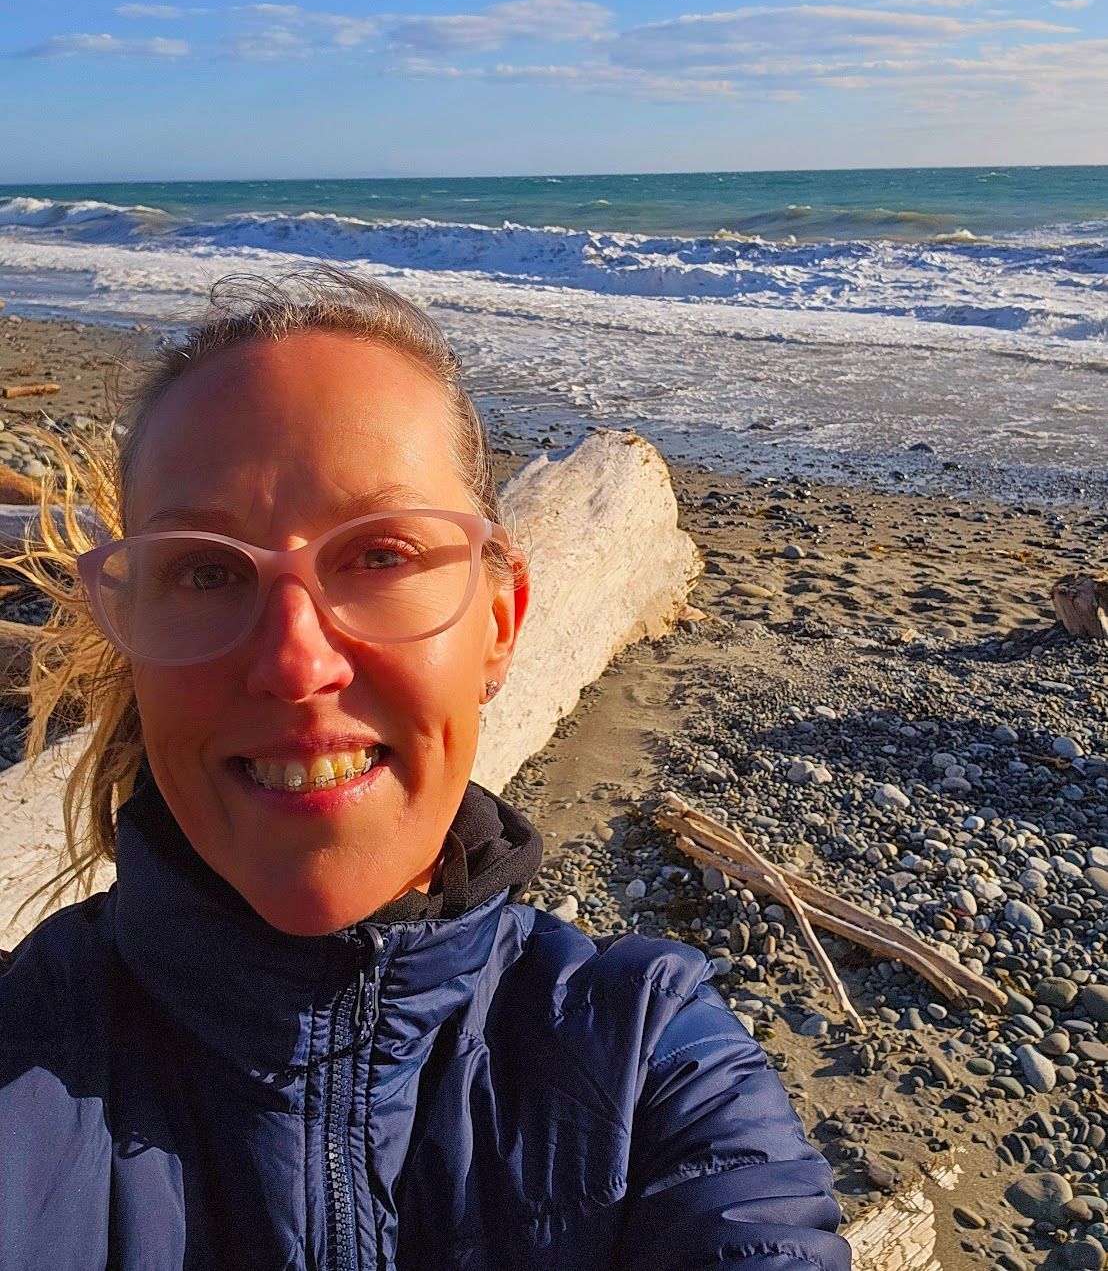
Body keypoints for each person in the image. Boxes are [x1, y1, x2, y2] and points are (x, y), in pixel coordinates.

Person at [0, 268, 850, 1270]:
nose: (293, 660)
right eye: (207, 569)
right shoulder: (26, 1068)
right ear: (134, 633)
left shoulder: (643, 1063)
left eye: (379, 556)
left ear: (499, 623)